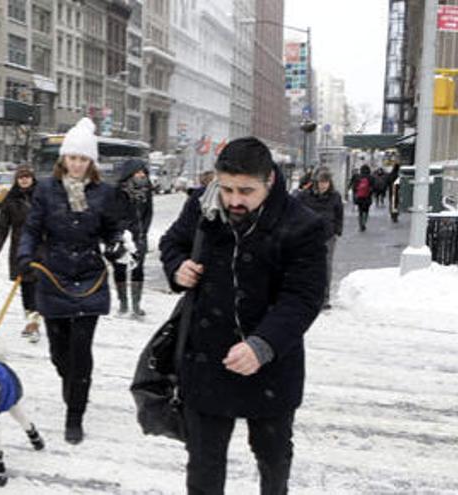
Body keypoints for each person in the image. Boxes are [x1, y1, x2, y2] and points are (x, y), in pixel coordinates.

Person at [159, 137, 327, 495]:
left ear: (269, 182)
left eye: (246, 191)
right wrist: (178, 268)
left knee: (273, 457)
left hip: (271, 365)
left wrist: (262, 345)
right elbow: (171, 243)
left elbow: (303, 297)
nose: (235, 200)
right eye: (227, 189)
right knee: (203, 464)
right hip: (207, 359)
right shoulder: (201, 208)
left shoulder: (302, 225)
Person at [16, 117, 122, 445]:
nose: (77, 164)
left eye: (83, 159)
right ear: (64, 159)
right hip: (54, 275)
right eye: (72, 158)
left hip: (90, 276)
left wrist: (119, 245)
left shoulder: (105, 193)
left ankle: (75, 413)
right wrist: (25, 255)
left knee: (81, 350)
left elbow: (113, 230)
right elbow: (32, 228)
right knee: (60, 353)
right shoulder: (46, 189)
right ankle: (72, 383)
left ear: (91, 162)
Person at [0, 166, 42, 342]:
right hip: (20, 250)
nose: (24, 180)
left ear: (33, 178)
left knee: (40, 287)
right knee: (27, 288)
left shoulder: (43, 197)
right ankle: (32, 323)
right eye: (21, 178)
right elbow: (2, 229)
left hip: (43, 249)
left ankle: (37, 323)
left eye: (27, 177)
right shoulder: (10, 201)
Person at [297, 167, 343, 309]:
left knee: (325, 267)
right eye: (321, 182)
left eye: (326, 182)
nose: (324, 185)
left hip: (327, 236)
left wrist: (337, 230)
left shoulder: (335, 196)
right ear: (316, 182)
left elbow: (339, 213)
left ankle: (324, 298)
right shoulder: (304, 196)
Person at [113, 159, 153, 319]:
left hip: (140, 235)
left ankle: (136, 305)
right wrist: (122, 231)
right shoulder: (118, 191)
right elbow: (114, 213)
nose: (141, 175)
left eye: (143, 172)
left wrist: (143, 230)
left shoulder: (147, 191)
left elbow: (149, 213)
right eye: (138, 172)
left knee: (138, 268)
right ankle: (123, 303)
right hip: (121, 236)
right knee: (120, 268)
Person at [351, 164, 374, 232]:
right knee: (366, 211)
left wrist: (355, 194)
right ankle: (364, 222)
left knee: (360, 211)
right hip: (367, 197)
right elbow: (374, 187)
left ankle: (361, 224)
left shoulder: (358, 177)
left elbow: (354, 187)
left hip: (359, 197)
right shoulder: (371, 177)